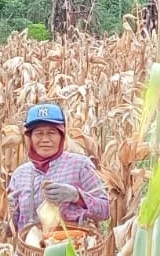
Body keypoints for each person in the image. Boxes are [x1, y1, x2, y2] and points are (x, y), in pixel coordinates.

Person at [7, 102, 110, 239]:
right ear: (30, 138)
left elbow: (105, 210)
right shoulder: (20, 174)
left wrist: (77, 197)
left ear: (62, 135)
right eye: (38, 133)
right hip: (29, 250)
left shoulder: (80, 165)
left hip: (71, 249)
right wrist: (8, 211)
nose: (45, 139)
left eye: (51, 133)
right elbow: (11, 230)